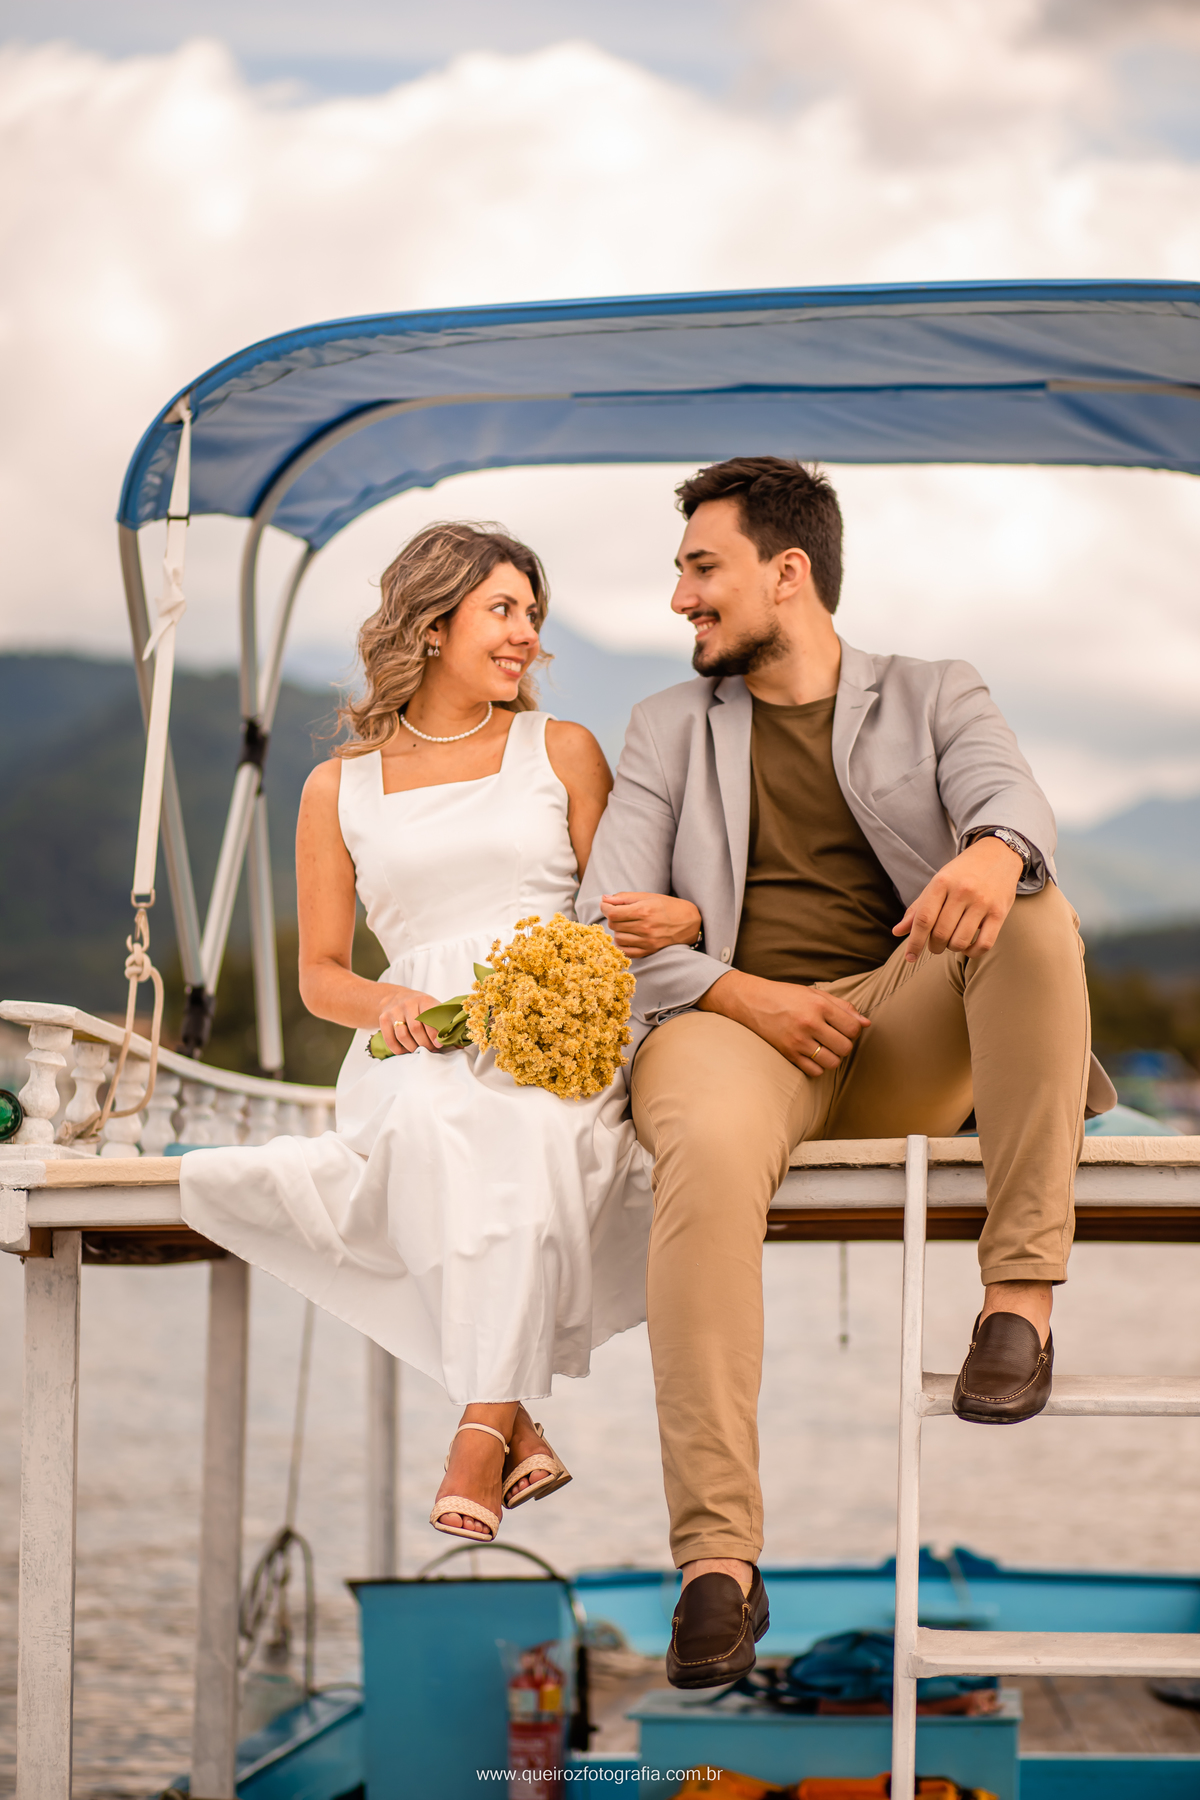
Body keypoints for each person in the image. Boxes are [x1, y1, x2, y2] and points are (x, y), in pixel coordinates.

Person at [579, 457, 1116, 1687]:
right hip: (727, 1030)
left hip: (900, 1025)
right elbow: (601, 923)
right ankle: (718, 1561)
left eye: (700, 569)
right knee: (704, 1154)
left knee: (1030, 905)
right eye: (678, 575)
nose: (680, 600)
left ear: (788, 571)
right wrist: (736, 987)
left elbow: (1012, 797)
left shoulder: (935, 691)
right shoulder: (665, 726)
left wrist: (993, 849)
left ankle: (1019, 1302)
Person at [181, 521, 701, 1544]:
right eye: (503, 611)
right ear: (431, 624)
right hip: (416, 1041)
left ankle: (480, 1429)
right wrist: (388, 1005)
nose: (526, 637)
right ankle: (513, 1417)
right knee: (422, 1130)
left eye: (533, 617)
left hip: (557, 1029)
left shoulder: (561, 751)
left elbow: (620, 911)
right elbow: (321, 975)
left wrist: (647, 940)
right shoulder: (341, 787)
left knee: (533, 1137)